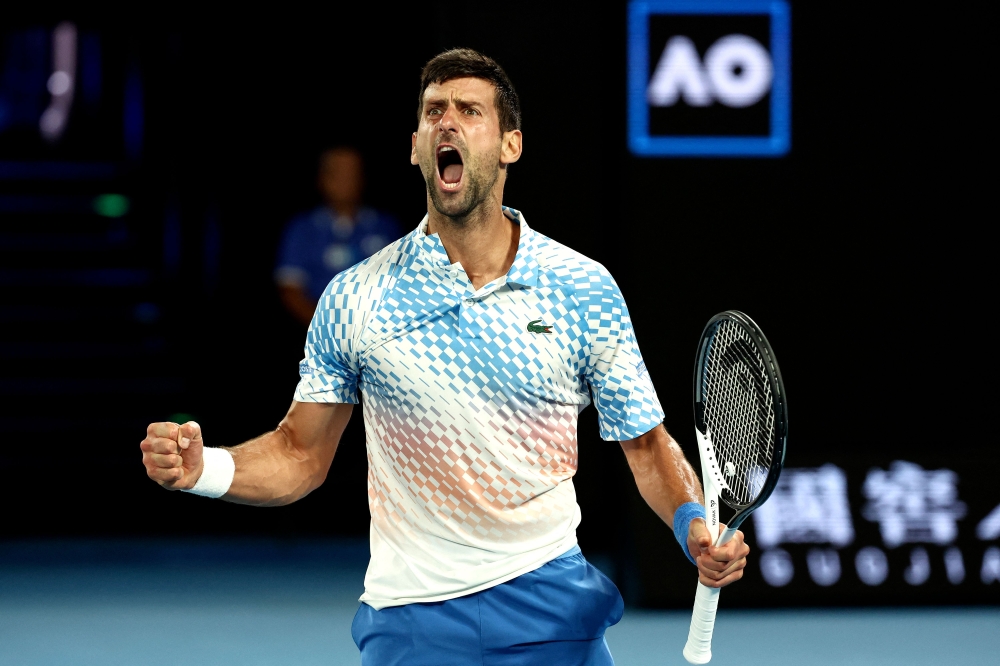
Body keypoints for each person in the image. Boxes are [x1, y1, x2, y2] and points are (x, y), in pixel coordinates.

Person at [140, 48, 750, 665]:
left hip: (553, 611)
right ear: (415, 146)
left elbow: (645, 445)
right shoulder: (358, 296)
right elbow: (300, 453)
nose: (447, 122)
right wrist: (205, 470)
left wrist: (691, 522)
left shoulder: (582, 287)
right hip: (412, 623)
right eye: (434, 111)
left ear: (511, 144)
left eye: (469, 110)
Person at [274, 146, 400, 325]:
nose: (346, 180)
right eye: (338, 173)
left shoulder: (385, 226)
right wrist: (330, 330)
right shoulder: (302, 229)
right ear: (322, 179)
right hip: (317, 334)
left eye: (352, 173)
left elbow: (401, 285)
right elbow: (290, 290)